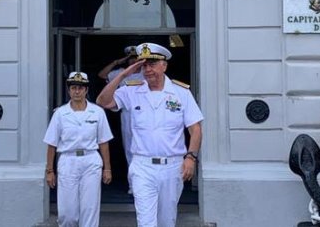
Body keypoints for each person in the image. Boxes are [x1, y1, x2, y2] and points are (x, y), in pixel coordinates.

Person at [96, 43, 203, 227]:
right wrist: (124, 74)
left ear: (164, 65)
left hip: (172, 166)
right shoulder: (132, 89)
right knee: (146, 222)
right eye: (144, 65)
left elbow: (195, 129)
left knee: (166, 221)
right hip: (142, 166)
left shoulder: (180, 92)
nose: (147, 69)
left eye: (152, 64)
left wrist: (191, 158)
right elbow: (102, 101)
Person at [43, 72, 113, 227]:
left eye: (80, 88)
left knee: (90, 208)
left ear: (86, 90)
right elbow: (51, 144)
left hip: (91, 160)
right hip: (68, 160)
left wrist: (107, 168)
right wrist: (49, 170)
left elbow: (103, 142)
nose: (77, 91)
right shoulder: (60, 114)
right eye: (73, 87)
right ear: (68, 90)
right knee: (68, 214)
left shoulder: (97, 112)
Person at [97, 45, 143, 192]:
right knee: (130, 149)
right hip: (128, 114)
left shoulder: (146, 72)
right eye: (130, 59)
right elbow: (102, 75)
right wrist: (117, 62)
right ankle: (133, 185)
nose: (133, 61)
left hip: (146, 114)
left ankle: (144, 184)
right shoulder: (121, 73)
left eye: (136, 58)